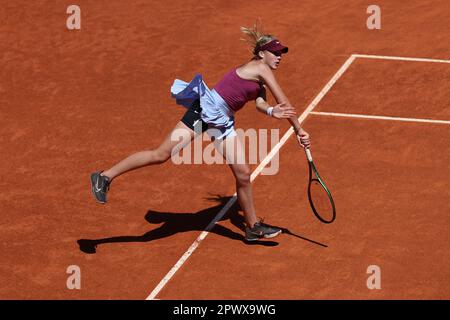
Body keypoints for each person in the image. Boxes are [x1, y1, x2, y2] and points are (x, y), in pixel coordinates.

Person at [90, 21, 311, 242]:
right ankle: (104, 176)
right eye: (275, 53)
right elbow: (285, 100)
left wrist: (272, 111)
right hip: (205, 110)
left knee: (243, 174)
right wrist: (299, 130)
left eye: (281, 54)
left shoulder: (260, 80)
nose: (279, 57)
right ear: (262, 54)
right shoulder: (261, 68)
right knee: (161, 155)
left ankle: (252, 226)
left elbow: (261, 103)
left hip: (223, 121)